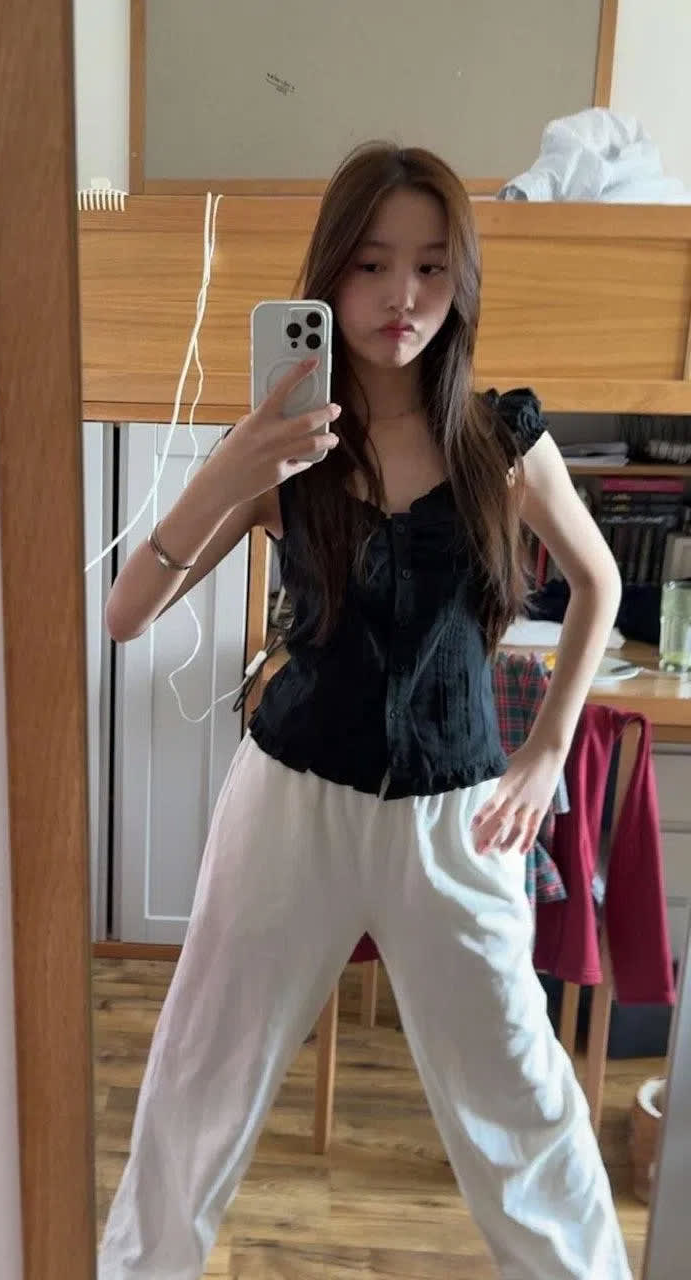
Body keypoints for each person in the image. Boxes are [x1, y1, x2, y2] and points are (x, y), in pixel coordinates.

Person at [98, 143, 629, 1280]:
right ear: (330, 273)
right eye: (373, 264)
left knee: (518, 1084)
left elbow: (600, 583)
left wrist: (547, 749)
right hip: (289, 799)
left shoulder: (502, 438)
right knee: (203, 1068)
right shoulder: (286, 447)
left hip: (458, 809)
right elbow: (126, 613)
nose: (403, 296)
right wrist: (234, 465)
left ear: (460, 280)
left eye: (432, 266)